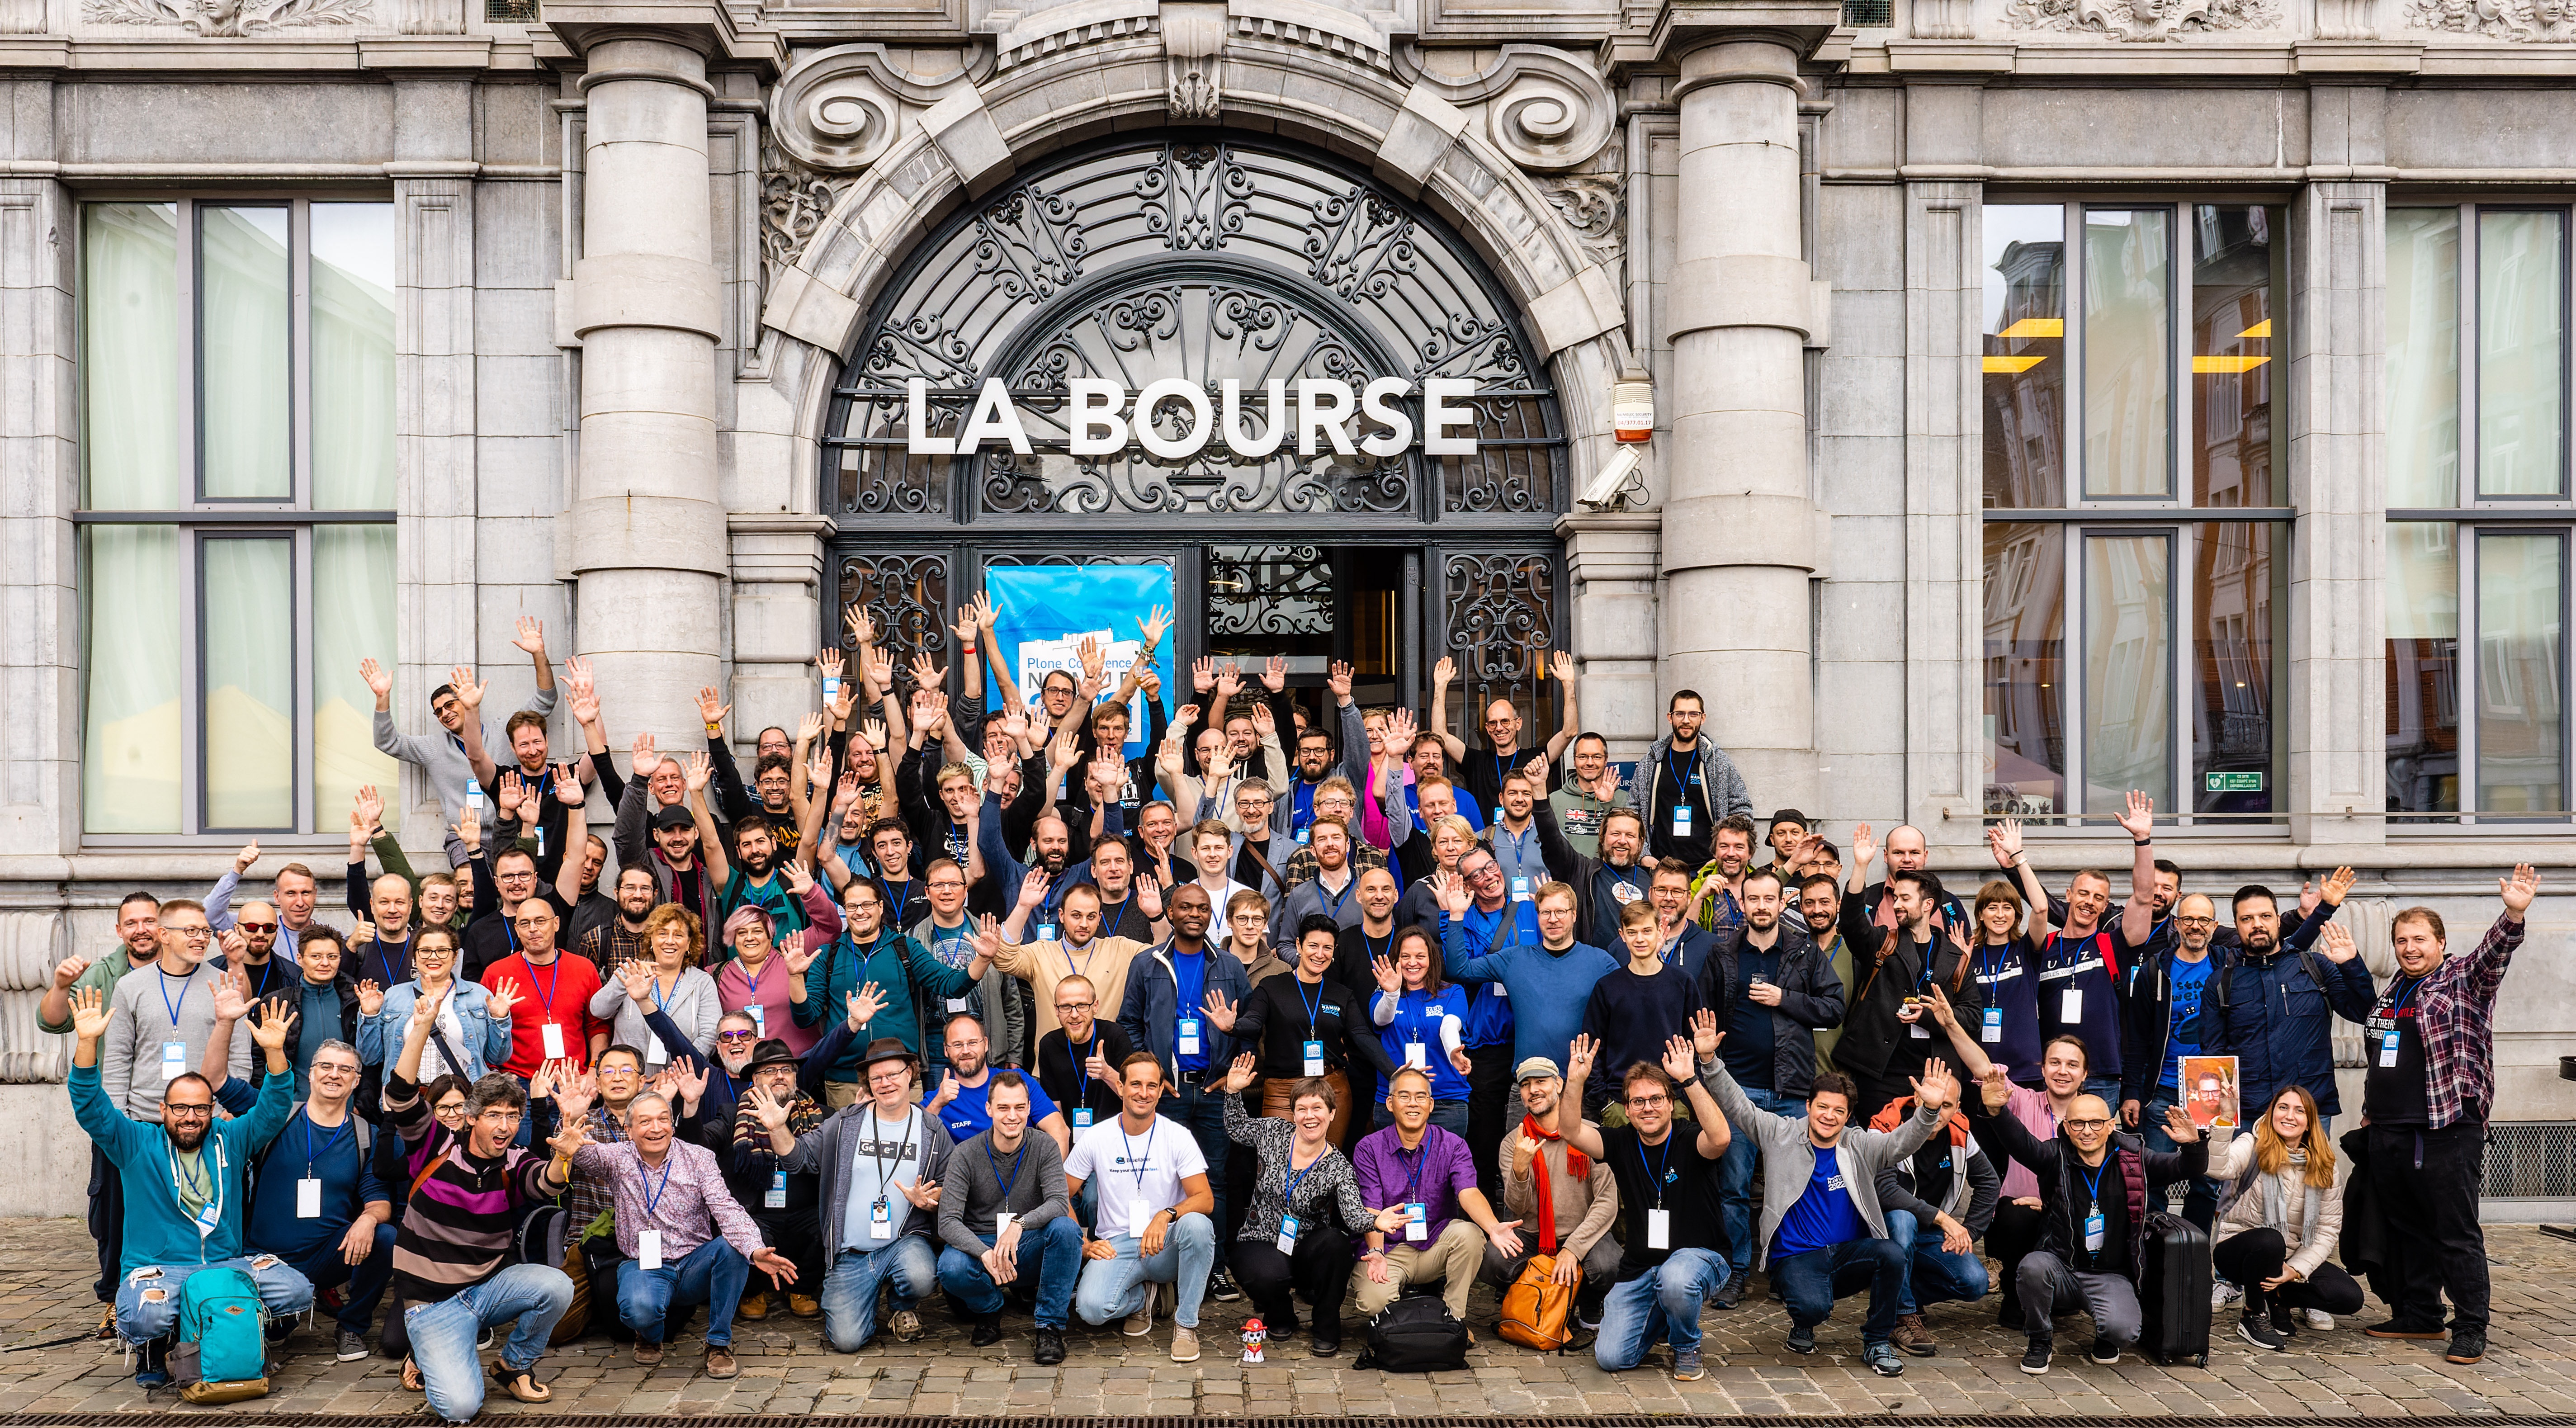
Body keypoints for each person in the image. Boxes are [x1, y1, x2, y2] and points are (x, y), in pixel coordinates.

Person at [1693, 1009, 1958, 1377]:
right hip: (1797, 1255)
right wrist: (1708, 1060)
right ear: (1808, 1106)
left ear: (1848, 1115)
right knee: (1813, 1308)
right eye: (1822, 1107)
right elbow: (1739, 1105)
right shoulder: (1779, 1133)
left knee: (1892, 1253)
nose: (1829, 1116)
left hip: (1848, 1254)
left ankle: (1877, 1341)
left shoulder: (1860, 1144)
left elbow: (1900, 1143)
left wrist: (1928, 1109)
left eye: (1838, 1111)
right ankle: (1803, 1318)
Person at [68, 985, 309, 1385]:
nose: (190, 1117)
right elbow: (89, 1105)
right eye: (180, 1108)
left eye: (200, 1107)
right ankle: (154, 1348)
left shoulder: (230, 1139)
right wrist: (88, 1043)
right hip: (158, 1269)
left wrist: (274, 1052)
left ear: (213, 1109)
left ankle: (232, 1334)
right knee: (145, 1315)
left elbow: (273, 1110)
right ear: (163, 1110)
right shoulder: (135, 1143)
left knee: (295, 1292)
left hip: (221, 1265)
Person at [2356, 866, 2536, 1367]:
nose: (2409, 948)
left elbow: (2494, 956)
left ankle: (2471, 1325)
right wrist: (2373, 1112)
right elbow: (2384, 1055)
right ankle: (2419, 1312)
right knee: (2408, 1228)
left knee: (2455, 1230)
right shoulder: (2395, 987)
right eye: (2401, 940)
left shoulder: (2462, 980)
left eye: (2418, 939)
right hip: (2392, 1128)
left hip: (2446, 1127)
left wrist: (2514, 912)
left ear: (2440, 941)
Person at [378, 979, 574, 1418]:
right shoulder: (435, 1145)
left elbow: (545, 1182)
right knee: (462, 1407)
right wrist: (421, 1026)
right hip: (431, 1302)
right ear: (470, 1118)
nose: (504, 1124)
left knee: (557, 1286)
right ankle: (427, 1351)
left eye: (512, 1115)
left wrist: (564, 1156)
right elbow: (399, 1095)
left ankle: (514, 1363)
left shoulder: (515, 1159)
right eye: (493, 1114)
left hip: (485, 1289)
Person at [1963, 1062, 2207, 1375]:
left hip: (2110, 1274)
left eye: (2095, 1123)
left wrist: (2193, 1146)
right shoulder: (2054, 1156)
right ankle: (2039, 1339)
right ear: (2065, 1127)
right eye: (2077, 1124)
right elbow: (2021, 1145)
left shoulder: (2133, 1159)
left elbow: (2183, 1169)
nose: (2087, 1131)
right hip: (2062, 1266)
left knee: (2124, 1332)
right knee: (2032, 1267)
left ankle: (2106, 1335)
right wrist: (1997, 1113)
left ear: (2110, 1126)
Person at [557, 1073, 794, 1377]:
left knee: (732, 1248)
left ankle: (718, 1343)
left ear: (673, 1124)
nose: (655, 1128)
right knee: (637, 1311)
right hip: (644, 1263)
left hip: (695, 1263)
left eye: (663, 1120)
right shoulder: (616, 1158)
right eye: (645, 1122)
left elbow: (725, 1206)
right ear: (629, 1130)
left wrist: (755, 1248)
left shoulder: (699, 1158)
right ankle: (649, 1336)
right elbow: (577, 1151)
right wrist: (571, 1120)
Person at [1701, 865, 1846, 1310]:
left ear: (1782, 902)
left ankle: (1789, 1268)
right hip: (1738, 1090)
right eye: (1753, 899)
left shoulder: (1804, 950)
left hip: (1790, 1088)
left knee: (1797, 1184)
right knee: (1734, 1187)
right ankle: (1737, 1271)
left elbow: (1835, 1006)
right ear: (1741, 903)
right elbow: (1704, 1013)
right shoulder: (1723, 953)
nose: (1761, 906)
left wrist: (1785, 998)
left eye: (1769, 898)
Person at [1555, 1030, 1731, 1379]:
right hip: (1642, 1268)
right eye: (1637, 1101)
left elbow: (1721, 1138)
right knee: (1610, 1358)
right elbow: (1571, 1132)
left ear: (1670, 1103)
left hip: (1701, 1257)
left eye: (1655, 1099)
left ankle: (1686, 1345)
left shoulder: (1688, 1137)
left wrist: (1689, 1078)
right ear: (1627, 1109)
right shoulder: (1620, 1142)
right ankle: (1666, 1314)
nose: (1647, 1107)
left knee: (1676, 1278)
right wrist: (1574, 1082)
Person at [1920, 981, 2091, 1329]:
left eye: (2072, 1065)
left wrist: (2054, 1204)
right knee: (2016, 1216)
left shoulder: (2095, 1118)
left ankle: (2066, 1291)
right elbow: (1983, 1069)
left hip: (2070, 1220)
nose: (2062, 1071)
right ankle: (2018, 1293)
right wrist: (1951, 1024)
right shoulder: (2022, 1100)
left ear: (2084, 1074)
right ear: (2041, 1070)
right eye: (2054, 1063)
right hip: (2018, 1220)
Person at [766, 1036, 950, 1352]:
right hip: (851, 1252)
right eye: (877, 1078)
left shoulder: (932, 1131)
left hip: (902, 1243)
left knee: (922, 1275)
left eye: (893, 1074)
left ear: (910, 1074)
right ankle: (863, 1295)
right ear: (867, 1082)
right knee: (847, 1341)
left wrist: (929, 1201)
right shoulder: (846, 1123)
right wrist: (776, 1128)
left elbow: (950, 1190)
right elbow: (799, 1160)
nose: (886, 1083)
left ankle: (900, 1303)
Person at [1115, 881, 1250, 1304]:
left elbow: (1249, 1025)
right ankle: (1165, 1264)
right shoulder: (1146, 963)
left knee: (1215, 1182)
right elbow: (1129, 1022)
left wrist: (1232, 1074)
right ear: (1169, 913)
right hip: (1167, 1095)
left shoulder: (1229, 966)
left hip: (1214, 1093)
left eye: (1203, 908)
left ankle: (1215, 1268)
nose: (1194, 914)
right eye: (1185, 907)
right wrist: (1151, 1073)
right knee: (1165, 1182)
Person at [1217, 1056, 1395, 1358]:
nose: (1309, 1116)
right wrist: (1233, 1092)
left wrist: (1375, 1222)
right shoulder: (1273, 1132)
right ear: (1294, 1113)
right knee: (1262, 1273)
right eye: (1302, 1109)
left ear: (1331, 1113)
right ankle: (1279, 1313)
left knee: (1336, 1243)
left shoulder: (1338, 1166)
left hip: (1307, 1251)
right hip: (1261, 1240)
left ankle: (1326, 1326)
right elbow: (1236, 1129)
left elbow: (1352, 1215)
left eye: (1317, 1109)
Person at [245, 1036, 396, 1363]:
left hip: (325, 1257)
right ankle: (284, 1312)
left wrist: (368, 1220)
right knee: (276, 1332)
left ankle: (352, 1326)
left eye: (345, 1069)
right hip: (263, 1260)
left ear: (356, 1080)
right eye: (326, 1066)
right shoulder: (276, 1116)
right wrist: (229, 1023)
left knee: (385, 1237)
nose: (334, 1074)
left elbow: (379, 1200)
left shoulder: (364, 1135)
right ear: (310, 1074)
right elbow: (218, 1083)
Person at [1064, 1052, 1219, 1362]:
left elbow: (1205, 1199)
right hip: (1117, 1245)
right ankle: (1142, 1300)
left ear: (1162, 1090)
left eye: (1152, 1085)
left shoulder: (1177, 1137)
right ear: (1120, 1087)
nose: (1144, 1093)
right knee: (1091, 1310)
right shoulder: (1096, 1137)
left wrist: (1166, 1214)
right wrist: (1082, 1243)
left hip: (1164, 1244)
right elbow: (1060, 1195)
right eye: (1135, 1084)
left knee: (1199, 1226)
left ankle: (1186, 1325)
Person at [1346, 1065, 1525, 1325]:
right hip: (1388, 1249)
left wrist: (1493, 1227)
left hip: (1434, 1243)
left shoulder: (1452, 1144)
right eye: (1404, 1096)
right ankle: (1402, 1327)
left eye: (1420, 1097)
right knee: (1374, 1301)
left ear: (1431, 1105)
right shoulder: (1369, 1148)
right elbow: (1371, 1208)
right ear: (1389, 1103)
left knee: (1471, 1236)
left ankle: (1453, 1321)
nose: (1413, 1104)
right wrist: (1376, 1250)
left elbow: (1468, 1191)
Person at [2189, 882, 2373, 1134]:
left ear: (2277, 919)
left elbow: (2365, 1013)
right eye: (2247, 919)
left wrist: (2352, 965)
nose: (2257, 925)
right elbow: (2213, 1054)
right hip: (2251, 1115)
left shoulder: (2315, 966)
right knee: (2245, 1175)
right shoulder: (2221, 981)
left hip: (2310, 1109)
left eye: (2265, 916)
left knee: (2312, 1175)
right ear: (2236, 925)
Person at [1202, 915, 1393, 1146]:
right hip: (1283, 1089)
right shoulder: (1272, 986)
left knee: (1328, 1162)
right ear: (1299, 946)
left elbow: (1362, 1035)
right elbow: (1253, 1022)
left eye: (1327, 948)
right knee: (1279, 1161)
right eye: (1313, 946)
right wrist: (1233, 1027)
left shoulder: (1342, 994)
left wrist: (1395, 1073)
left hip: (1331, 1088)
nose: (1320, 954)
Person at [798, 880, 991, 1107]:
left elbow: (951, 985)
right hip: (845, 1082)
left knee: (911, 1141)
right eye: (852, 906)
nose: (860, 912)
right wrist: (794, 977)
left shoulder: (905, 949)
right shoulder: (827, 956)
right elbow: (806, 1017)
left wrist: (984, 959)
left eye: (867, 904)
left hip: (902, 1077)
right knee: (849, 1143)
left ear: (881, 907)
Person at [932, 1070, 1082, 1361]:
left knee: (1066, 1230)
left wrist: (1019, 1224)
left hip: (1025, 1244)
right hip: (983, 1249)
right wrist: (984, 1253)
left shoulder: (1044, 1145)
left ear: (1029, 1108)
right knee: (950, 1266)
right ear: (989, 1109)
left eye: (1019, 1107)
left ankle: (1049, 1326)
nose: (1012, 1116)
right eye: (1003, 1108)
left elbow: (1058, 1203)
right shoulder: (965, 1153)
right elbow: (948, 1221)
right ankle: (990, 1309)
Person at [1835, 832, 1984, 1117]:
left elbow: (1973, 1017)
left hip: (1936, 1077)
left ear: (1928, 905)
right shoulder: (1883, 942)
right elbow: (1852, 924)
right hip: (1880, 1075)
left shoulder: (1956, 958)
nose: (1897, 904)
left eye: (1905, 898)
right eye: (1896, 898)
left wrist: (1932, 1016)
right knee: (1881, 1155)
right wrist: (1860, 866)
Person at [2211, 1083, 2363, 1351]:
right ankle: (2253, 1314)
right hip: (2238, 1249)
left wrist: (2294, 1270)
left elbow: (2327, 1229)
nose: (2290, 1116)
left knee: (2348, 1297)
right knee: (2270, 1241)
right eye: (2283, 1108)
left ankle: (2279, 1299)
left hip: (2288, 1257)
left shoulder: (2324, 1163)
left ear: (2309, 1123)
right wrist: (2226, 1120)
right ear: (2272, 1114)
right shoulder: (2252, 1145)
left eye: (2299, 1111)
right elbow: (2218, 1168)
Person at [1483, 1055, 1621, 1333]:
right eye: (1526, 1085)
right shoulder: (1514, 1142)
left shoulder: (1590, 1135)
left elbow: (1608, 1201)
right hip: (1534, 1235)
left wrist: (1573, 1248)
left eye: (1541, 1082)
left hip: (1583, 1234)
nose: (1534, 1090)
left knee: (1610, 1265)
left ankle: (1589, 1300)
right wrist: (1521, 1170)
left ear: (1558, 1084)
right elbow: (1517, 1208)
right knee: (1490, 1259)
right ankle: (1534, 1293)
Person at [2117, 889, 2223, 1228]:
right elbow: (2136, 1038)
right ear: (2176, 924)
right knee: (2154, 1177)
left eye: (2203, 920)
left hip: (2210, 1087)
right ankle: (2155, 1256)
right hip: (2161, 1088)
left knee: (2207, 1180)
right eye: (2188, 919)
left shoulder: (2228, 965)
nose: (2195, 926)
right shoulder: (2154, 970)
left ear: (2214, 925)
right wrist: (2132, 1092)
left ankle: (2191, 1251)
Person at [1865, 1089, 1998, 1356]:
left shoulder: (1960, 1132)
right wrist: (1944, 1219)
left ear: (1958, 1108)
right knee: (1904, 1220)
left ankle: (1895, 1293)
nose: (1937, 1112)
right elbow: (1885, 1189)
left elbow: (1989, 1183)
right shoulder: (1885, 1128)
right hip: (1882, 1233)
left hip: (1930, 1235)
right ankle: (1903, 1316)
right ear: (1916, 1100)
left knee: (1975, 1282)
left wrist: (1969, 1232)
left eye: (1946, 1105)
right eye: (1930, 1104)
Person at [712, 1036, 834, 1323]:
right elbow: (699, 1144)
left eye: (787, 1070)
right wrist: (691, 1108)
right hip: (758, 1212)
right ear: (754, 1079)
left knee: (828, 1225)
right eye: (769, 1071)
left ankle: (802, 1290)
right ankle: (753, 1291)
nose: (780, 1075)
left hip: (807, 1210)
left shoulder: (823, 1116)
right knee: (745, 1235)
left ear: (795, 1076)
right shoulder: (732, 1116)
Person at [1578, 898, 1704, 1117]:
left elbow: (1695, 1043)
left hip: (1673, 1101)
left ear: (1659, 931)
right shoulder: (1607, 987)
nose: (1640, 939)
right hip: (1621, 1103)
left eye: (1647, 931)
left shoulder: (1682, 983)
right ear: (1622, 935)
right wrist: (1605, 1102)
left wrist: (1686, 1096)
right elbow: (1593, 1049)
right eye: (1633, 932)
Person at [991, 877, 1150, 1040]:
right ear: (1062, 915)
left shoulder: (1120, 950)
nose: (1084, 924)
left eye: (1091, 917)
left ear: (1100, 918)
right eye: (1076, 916)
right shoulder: (1042, 953)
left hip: (1105, 1062)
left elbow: (1162, 959)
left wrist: (1157, 917)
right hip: (1051, 1063)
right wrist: (1023, 907)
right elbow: (1003, 959)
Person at [358, 927, 517, 1083]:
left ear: (455, 957)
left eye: (442, 951)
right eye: (425, 951)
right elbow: (370, 1058)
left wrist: (499, 1019)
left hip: (463, 1098)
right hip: (408, 1100)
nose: (433, 957)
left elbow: (498, 1058)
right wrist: (370, 1015)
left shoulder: (478, 995)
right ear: (415, 957)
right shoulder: (393, 996)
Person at [1627, 689, 1752, 873]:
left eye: (1694, 714)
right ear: (1670, 717)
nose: (1686, 720)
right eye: (1680, 714)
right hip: (1661, 867)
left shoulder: (1718, 762)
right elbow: (1634, 811)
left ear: (1703, 718)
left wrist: (1724, 855)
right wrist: (1644, 855)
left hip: (1707, 867)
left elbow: (1742, 809)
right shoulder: (1652, 762)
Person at [1366, 926, 1476, 1134]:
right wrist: (1391, 994)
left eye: (1420, 956)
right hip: (1396, 1100)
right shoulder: (1383, 993)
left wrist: (1453, 1051)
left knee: (1445, 1166)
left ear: (1431, 959)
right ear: (1397, 960)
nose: (1412, 963)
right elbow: (1381, 1020)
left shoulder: (1453, 992)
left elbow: (1449, 1025)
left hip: (1445, 1099)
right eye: (1405, 956)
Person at [716, 892, 845, 1057]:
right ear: (733, 938)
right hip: (749, 1072)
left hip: (801, 1066)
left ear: (770, 936)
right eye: (742, 933)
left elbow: (831, 928)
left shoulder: (791, 952)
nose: (750, 938)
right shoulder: (717, 974)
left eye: (757, 931)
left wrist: (811, 893)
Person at [589, 908, 722, 1066]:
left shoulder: (702, 982)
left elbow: (710, 1036)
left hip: (682, 1082)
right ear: (651, 939)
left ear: (689, 944)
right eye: (662, 933)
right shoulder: (630, 971)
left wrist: (678, 1073)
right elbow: (598, 1010)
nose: (670, 941)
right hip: (630, 1079)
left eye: (678, 935)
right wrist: (623, 982)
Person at [924, 1012, 1070, 1153]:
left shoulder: (1019, 1081)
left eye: (973, 1042)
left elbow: (1059, 1131)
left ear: (986, 1044)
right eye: (957, 1045)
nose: (966, 1051)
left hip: (1025, 1174)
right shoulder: (937, 1099)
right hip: (969, 1177)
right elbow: (915, 1145)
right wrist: (938, 1104)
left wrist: (1048, 1176)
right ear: (946, 1050)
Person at [1033, 974, 1133, 1138]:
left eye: (1082, 1006)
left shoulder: (1115, 1036)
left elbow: (1134, 1098)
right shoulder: (1049, 1045)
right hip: (1071, 1138)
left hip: (1115, 1137)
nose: (1074, 1015)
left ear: (1095, 1006)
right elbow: (1054, 1110)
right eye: (1065, 1007)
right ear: (1056, 1010)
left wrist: (1107, 1073)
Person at [1546, 732, 1630, 862]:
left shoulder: (1624, 800)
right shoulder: (1554, 801)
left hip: (1609, 878)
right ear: (1574, 760)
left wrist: (1609, 803)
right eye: (1583, 757)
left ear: (1606, 759)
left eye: (1596, 757)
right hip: (1568, 879)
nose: (1590, 763)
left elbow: (1628, 842)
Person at [577, 865, 657, 980]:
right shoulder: (595, 940)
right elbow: (585, 991)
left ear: (655, 894)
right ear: (617, 892)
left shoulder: (666, 938)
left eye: (645, 888)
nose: (638, 895)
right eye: (630, 888)